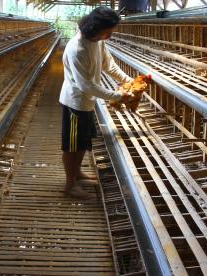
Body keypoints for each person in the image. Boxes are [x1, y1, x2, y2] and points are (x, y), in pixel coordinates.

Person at [59, 6, 133, 199]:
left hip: (87, 103)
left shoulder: (97, 41)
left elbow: (108, 64)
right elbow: (86, 86)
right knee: (72, 145)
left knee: (83, 141)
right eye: (107, 32)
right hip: (75, 103)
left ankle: (77, 172)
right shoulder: (77, 49)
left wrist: (127, 81)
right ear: (94, 28)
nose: (109, 36)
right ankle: (70, 184)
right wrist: (118, 96)